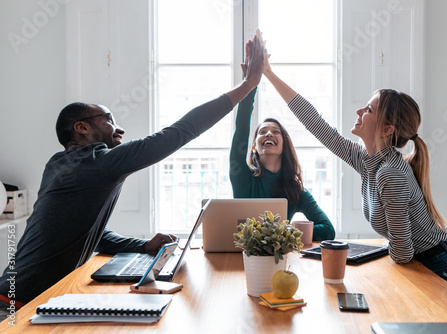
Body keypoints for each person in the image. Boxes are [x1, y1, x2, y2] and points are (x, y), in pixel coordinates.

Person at [0, 31, 265, 310]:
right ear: (82, 127)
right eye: (109, 119)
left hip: (19, 297)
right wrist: (249, 84)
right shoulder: (97, 162)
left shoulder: (60, 164)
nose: (119, 128)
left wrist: (144, 246)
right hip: (14, 307)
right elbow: (179, 132)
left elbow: (91, 233)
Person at [261, 40, 447, 301]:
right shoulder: (368, 160)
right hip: (433, 264)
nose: (359, 111)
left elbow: (402, 252)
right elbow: (317, 125)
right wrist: (268, 73)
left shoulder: (389, 172)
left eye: (368, 109)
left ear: (388, 128)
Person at [229, 47, 335, 240]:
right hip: (244, 257)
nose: (269, 133)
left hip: (281, 258)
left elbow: (328, 230)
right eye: (262, 132)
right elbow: (242, 127)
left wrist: (285, 232)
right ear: (254, 147)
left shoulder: (294, 189)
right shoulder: (242, 177)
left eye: (275, 132)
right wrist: (250, 84)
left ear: (284, 145)